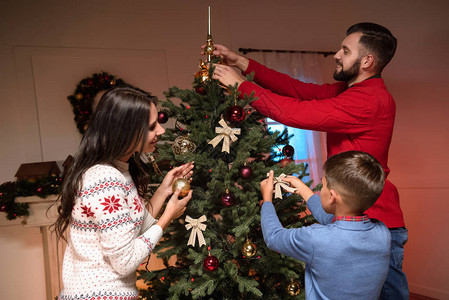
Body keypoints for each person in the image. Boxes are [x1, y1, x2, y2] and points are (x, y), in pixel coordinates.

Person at [207, 22, 408, 299]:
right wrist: (244, 63)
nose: (337, 54)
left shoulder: (369, 100)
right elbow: (299, 90)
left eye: (345, 51)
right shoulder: (351, 92)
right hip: (349, 214)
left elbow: (296, 113)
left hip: (372, 216)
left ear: (367, 61)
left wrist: (241, 86)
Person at [54, 85, 194, 299]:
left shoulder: (120, 170)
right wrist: (168, 216)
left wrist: (164, 191)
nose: (161, 131)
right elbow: (125, 261)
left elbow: (132, 232)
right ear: (126, 131)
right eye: (151, 126)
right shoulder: (104, 179)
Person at [260, 151, 390, 299]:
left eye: (323, 185)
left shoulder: (316, 238)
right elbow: (336, 222)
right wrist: (303, 189)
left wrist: (267, 200)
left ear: (332, 197)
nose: (321, 188)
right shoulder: (383, 233)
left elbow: (273, 237)